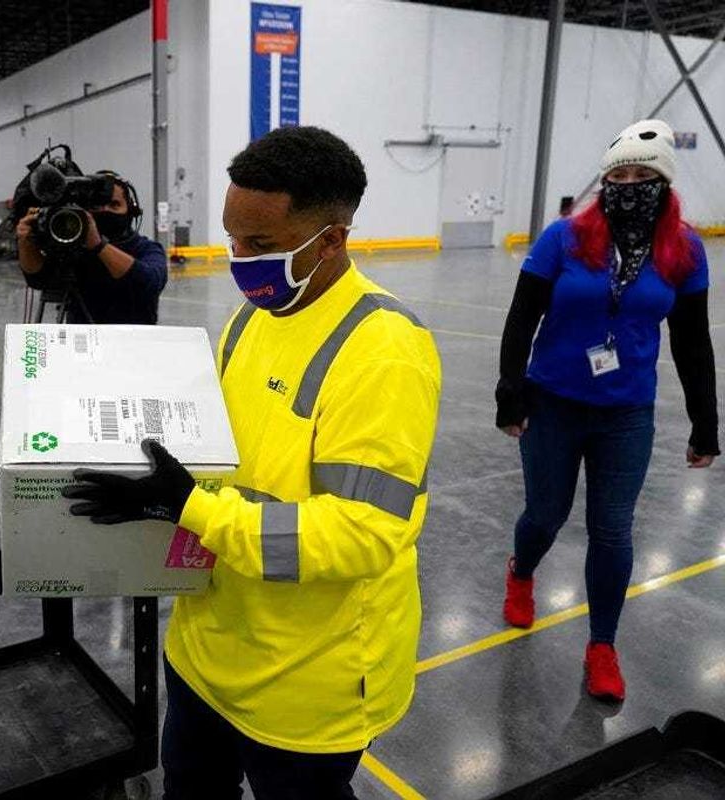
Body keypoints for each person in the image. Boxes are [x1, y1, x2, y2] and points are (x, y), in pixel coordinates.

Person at [62, 127, 441, 799]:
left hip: (305, 686)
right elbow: (224, 457)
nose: (238, 259)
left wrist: (193, 507)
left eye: (260, 245)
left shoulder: (383, 352)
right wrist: (155, 485)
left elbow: (362, 533)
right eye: (232, 238)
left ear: (332, 239)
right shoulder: (252, 318)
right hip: (209, 651)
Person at [496, 119, 717, 702]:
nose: (628, 183)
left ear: (664, 183)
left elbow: (693, 341)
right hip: (553, 402)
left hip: (626, 413)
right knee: (545, 514)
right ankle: (521, 571)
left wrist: (706, 422)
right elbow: (522, 318)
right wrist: (509, 390)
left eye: (643, 174)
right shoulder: (564, 238)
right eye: (618, 173)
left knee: (613, 529)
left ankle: (602, 646)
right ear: (604, 179)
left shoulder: (684, 250)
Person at [16, 170, 167, 324]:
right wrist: (26, 242)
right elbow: (38, 279)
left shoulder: (147, 249)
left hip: (134, 342)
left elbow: (149, 285)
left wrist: (98, 245)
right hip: (83, 344)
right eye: (97, 205)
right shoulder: (73, 250)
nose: (105, 210)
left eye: (114, 205)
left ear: (131, 211)